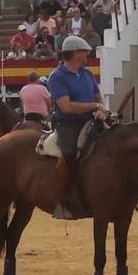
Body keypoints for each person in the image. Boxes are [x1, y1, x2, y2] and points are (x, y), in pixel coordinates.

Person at [44, 34, 103, 219]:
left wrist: (100, 109)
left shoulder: (87, 73)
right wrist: (95, 107)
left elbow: (97, 97)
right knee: (69, 153)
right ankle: (62, 200)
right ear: (74, 53)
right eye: (84, 51)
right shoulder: (57, 76)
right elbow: (66, 107)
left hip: (90, 119)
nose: (87, 54)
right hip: (68, 123)